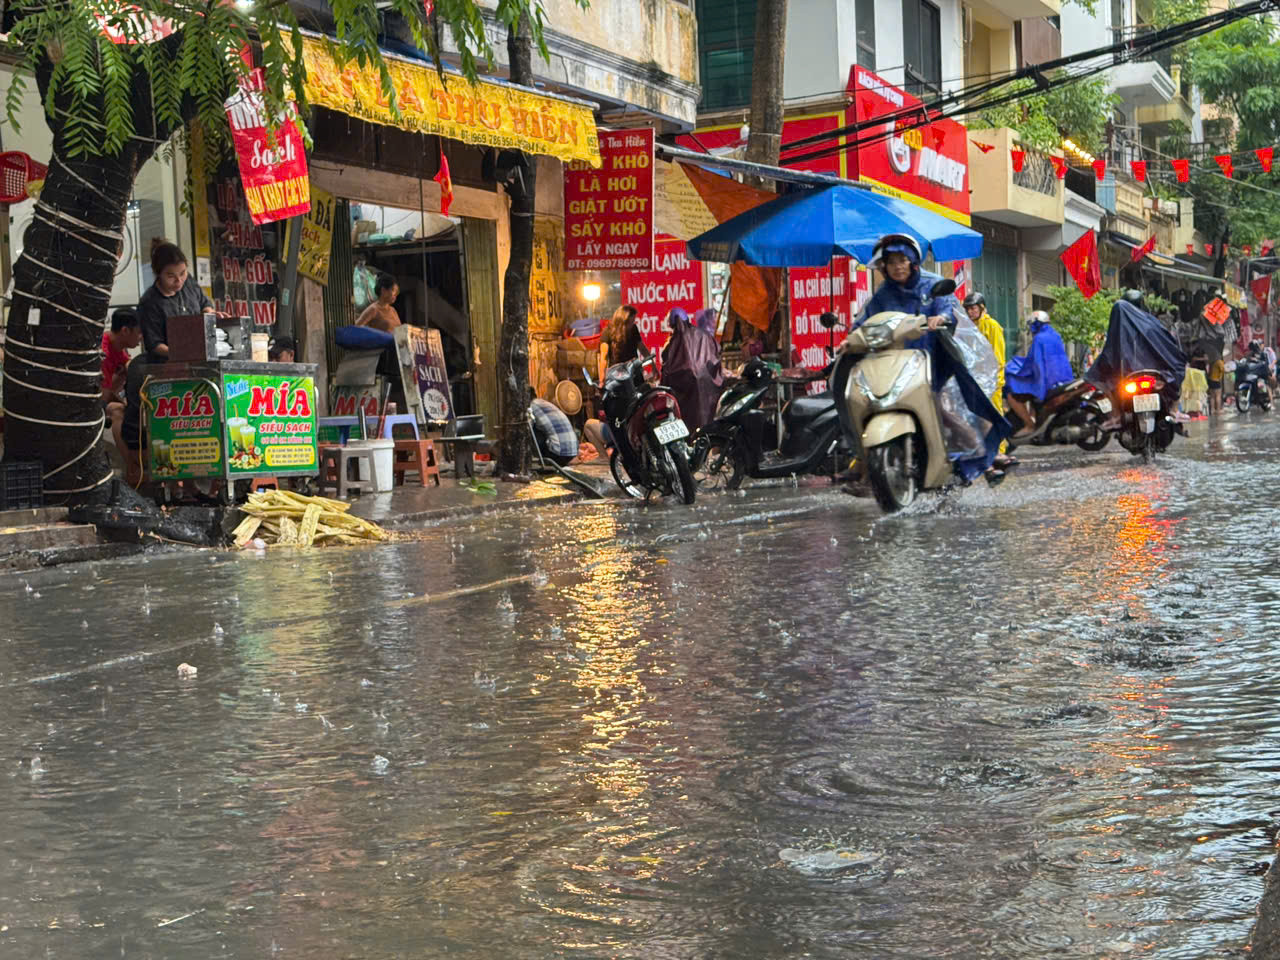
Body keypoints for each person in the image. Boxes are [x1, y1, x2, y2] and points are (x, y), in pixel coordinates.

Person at [852, 233, 1011, 484]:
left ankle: (981, 458)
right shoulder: (883, 294)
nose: (897, 266)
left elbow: (946, 309)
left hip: (930, 362)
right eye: (891, 262)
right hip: (891, 363)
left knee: (940, 410)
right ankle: (862, 464)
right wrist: (850, 337)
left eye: (902, 260)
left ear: (913, 261)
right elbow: (864, 321)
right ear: (884, 266)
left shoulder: (932, 285)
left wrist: (941, 318)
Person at [1085, 295, 1187, 419]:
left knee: (1103, 380)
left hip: (1131, 374)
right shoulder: (1150, 323)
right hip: (1146, 374)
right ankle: (1174, 409)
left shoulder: (1121, 317)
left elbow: (1110, 352)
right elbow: (1169, 346)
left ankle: (1116, 415)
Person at [137, 241, 216, 362]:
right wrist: (181, 354)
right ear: (158, 273)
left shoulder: (188, 282)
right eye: (171, 276)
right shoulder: (149, 303)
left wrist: (209, 317)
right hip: (168, 365)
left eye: (183, 273)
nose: (179, 281)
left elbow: (205, 304)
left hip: (199, 358)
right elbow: (154, 345)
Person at [963, 291, 1016, 468]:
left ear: (982, 308)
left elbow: (999, 357)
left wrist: (995, 380)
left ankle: (1000, 451)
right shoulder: (969, 328)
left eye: (973, 308)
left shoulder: (992, 326)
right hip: (976, 380)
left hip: (991, 380)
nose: (971, 312)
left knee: (994, 415)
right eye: (968, 309)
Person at [1003, 311, 1075, 438]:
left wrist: (1016, 369)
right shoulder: (1056, 335)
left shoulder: (1039, 338)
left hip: (1046, 380)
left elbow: (1033, 363)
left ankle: (1029, 425)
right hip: (1064, 379)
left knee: (1012, 393)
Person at [661, 306, 724, 430]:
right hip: (707, 388)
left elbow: (667, 369)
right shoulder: (704, 335)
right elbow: (716, 353)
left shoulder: (673, 342)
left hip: (687, 394)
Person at [102, 307, 141, 454]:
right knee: (119, 410)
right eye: (139, 332)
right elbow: (104, 396)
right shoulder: (103, 353)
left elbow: (130, 366)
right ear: (125, 331)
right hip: (92, 404)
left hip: (105, 393)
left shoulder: (117, 348)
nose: (141, 337)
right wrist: (125, 403)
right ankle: (131, 466)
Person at [599, 305, 649, 382]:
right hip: (617, 374)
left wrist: (653, 365)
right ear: (623, 321)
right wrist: (602, 378)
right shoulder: (607, 332)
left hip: (634, 371)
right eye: (630, 322)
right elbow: (604, 357)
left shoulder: (633, 329)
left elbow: (642, 348)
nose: (632, 324)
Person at [529, 396, 579, 467]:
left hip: (556, 454)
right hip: (572, 454)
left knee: (529, 429)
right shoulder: (545, 403)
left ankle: (540, 462)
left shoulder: (530, 407)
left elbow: (527, 429)